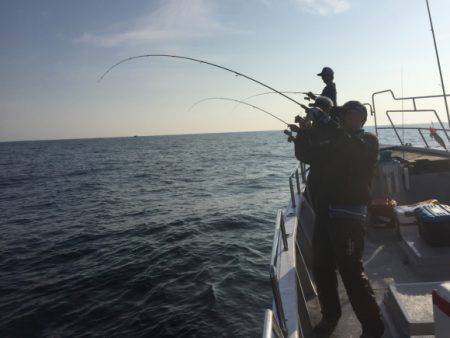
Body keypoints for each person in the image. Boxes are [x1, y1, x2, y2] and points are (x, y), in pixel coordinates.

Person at [291, 101, 384, 338]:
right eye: (341, 114)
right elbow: (306, 155)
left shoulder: (368, 142)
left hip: (349, 217)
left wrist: (328, 125)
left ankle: (373, 327)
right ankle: (330, 316)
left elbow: (352, 151)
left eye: (348, 114)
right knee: (322, 268)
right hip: (325, 213)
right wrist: (304, 134)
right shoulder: (335, 140)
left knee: (351, 271)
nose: (342, 117)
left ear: (361, 118)